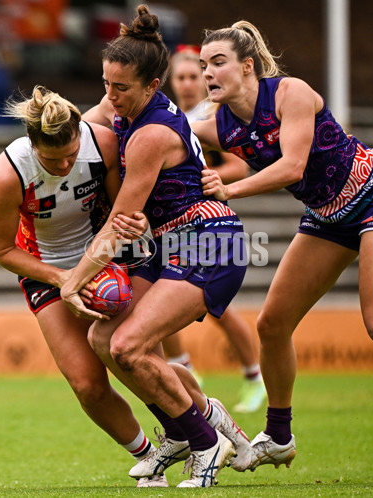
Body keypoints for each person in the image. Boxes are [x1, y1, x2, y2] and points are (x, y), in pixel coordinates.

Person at [192, 20, 373, 483]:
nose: (208, 73)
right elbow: (162, 130)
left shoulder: (291, 94)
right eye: (204, 65)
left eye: (218, 63)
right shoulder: (220, 126)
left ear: (247, 66)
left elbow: (292, 166)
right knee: (273, 323)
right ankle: (279, 437)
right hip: (328, 215)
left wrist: (228, 187)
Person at [60, 5, 252, 488]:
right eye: (106, 83)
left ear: (152, 86)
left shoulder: (149, 134)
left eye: (121, 88)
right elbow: (80, 126)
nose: (111, 95)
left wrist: (71, 284)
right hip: (169, 245)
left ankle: (206, 442)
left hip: (210, 244)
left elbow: (118, 228)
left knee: (128, 344)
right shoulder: (124, 105)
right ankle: (201, 419)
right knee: (104, 341)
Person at [0, 85, 168, 488]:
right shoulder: (9, 171)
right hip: (47, 270)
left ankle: (197, 430)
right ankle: (149, 457)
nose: (66, 165)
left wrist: (137, 225)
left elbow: (124, 208)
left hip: (107, 256)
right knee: (86, 383)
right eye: (53, 160)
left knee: (139, 359)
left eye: (71, 155)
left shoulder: (101, 144)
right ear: (32, 146)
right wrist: (63, 279)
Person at [163, 46, 266, 413]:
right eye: (182, 77)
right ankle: (189, 375)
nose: (189, 83)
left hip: (210, 222)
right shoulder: (170, 117)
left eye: (194, 76)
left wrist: (202, 179)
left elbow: (241, 168)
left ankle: (255, 379)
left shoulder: (213, 115)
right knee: (154, 302)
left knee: (222, 310)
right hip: (173, 223)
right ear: (171, 82)